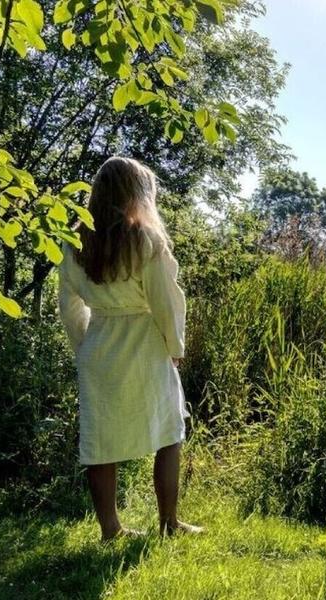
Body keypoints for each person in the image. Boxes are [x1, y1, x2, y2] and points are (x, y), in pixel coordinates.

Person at [58, 156, 202, 540]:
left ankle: (111, 529)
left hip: (99, 345)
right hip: (145, 345)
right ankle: (169, 523)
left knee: (100, 440)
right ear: (136, 194)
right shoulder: (146, 240)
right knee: (169, 432)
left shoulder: (75, 242)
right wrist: (175, 346)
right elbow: (166, 301)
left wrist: (85, 345)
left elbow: (68, 306)